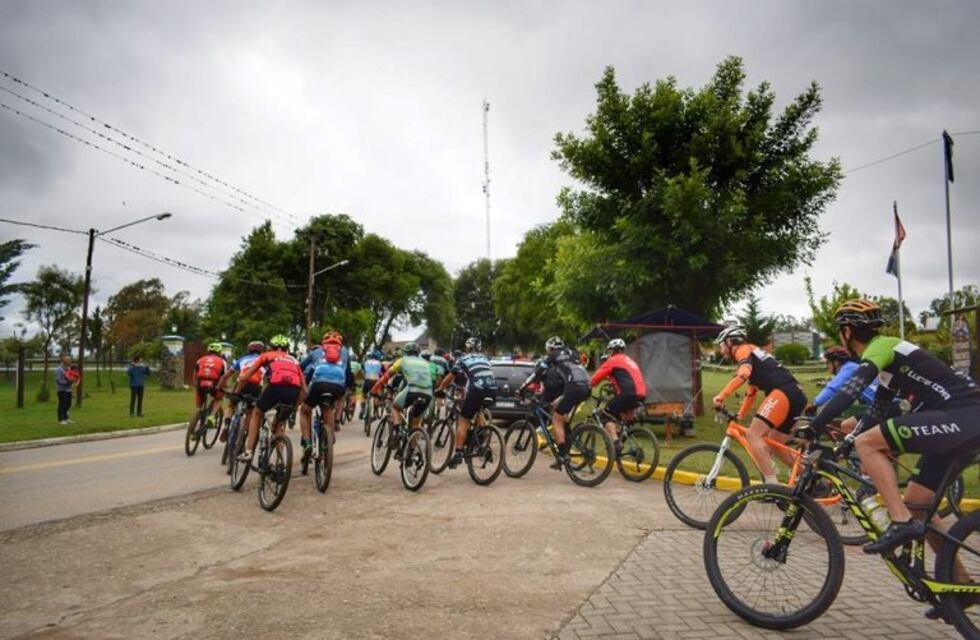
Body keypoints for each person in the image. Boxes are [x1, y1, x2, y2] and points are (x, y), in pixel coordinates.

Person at [806, 299, 980, 557]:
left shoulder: (879, 348)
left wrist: (815, 425)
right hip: (958, 420)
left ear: (847, 331)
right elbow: (879, 409)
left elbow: (851, 390)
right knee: (918, 505)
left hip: (961, 415)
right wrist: (847, 440)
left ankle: (900, 521)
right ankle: (955, 588)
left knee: (868, 443)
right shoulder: (891, 359)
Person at [711, 326, 807, 485]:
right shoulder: (755, 352)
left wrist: (721, 396)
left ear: (730, 342)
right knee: (776, 444)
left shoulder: (742, 349)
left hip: (783, 392)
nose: (721, 351)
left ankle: (770, 485)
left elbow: (743, 374)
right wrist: (740, 415)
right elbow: (751, 393)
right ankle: (812, 477)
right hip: (797, 394)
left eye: (721, 345)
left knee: (753, 435)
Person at [519, 336, 591, 469]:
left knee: (556, 419)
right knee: (559, 411)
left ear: (550, 349)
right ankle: (566, 439)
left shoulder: (553, 355)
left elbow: (537, 373)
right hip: (587, 386)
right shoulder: (573, 353)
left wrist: (522, 387)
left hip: (574, 386)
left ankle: (563, 455)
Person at [236, 335, 306, 461]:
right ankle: (280, 461)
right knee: (279, 425)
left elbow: (246, 376)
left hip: (275, 388)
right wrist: (294, 408)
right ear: (286, 349)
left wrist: (239, 379)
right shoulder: (294, 360)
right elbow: (304, 390)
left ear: (271, 347)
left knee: (257, 413)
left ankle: (248, 451)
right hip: (293, 391)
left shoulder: (266, 355)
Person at [438, 337, 497, 469]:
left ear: (467, 348)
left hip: (477, 390)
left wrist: (440, 389)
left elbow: (450, 377)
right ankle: (482, 442)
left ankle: (458, 452)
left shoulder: (463, 359)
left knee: (463, 421)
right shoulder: (485, 358)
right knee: (478, 412)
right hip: (492, 390)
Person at [299, 331, 351, 468]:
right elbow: (348, 372)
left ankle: (307, 442)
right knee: (328, 408)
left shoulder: (317, 351)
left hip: (319, 384)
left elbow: (301, 367)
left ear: (323, 342)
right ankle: (329, 437)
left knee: (304, 411)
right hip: (338, 387)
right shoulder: (345, 352)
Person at [590, 338, 647, 453]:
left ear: (612, 351)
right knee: (620, 417)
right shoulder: (630, 360)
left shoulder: (613, 360)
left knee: (605, 415)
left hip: (628, 394)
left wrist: (587, 385)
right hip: (641, 394)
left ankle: (616, 443)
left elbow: (595, 379)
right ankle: (624, 437)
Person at [371, 342, 432, 433]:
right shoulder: (426, 363)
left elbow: (386, 376)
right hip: (428, 393)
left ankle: (397, 429)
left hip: (412, 390)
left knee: (395, 407)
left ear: (405, 352)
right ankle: (412, 446)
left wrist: (374, 389)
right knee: (415, 425)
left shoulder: (402, 360)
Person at [215, 341, 265, 442]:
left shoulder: (242, 359)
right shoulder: (264, 360)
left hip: (241, 384)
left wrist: (218, 388)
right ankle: (245, 435)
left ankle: (227, 424)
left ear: (248, 350)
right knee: (250, 412)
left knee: (230, 406)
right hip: (256, 387)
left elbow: (225, 376)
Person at [192, 342, 228, 436]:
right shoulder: (222, 361)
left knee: (199, 404)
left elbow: (195, 374)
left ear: (209, 351)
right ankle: (212, 417)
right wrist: (225, 386)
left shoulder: (200, 360)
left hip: (201, 383)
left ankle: (197, 415)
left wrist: (196, 385)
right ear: (220, 352)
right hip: (214, 384)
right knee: (218, 399)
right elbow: (224, 377)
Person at [360, 350, 384, 419]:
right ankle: (375, 412)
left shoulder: (366, 362)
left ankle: (363, 408)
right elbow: (381, 374)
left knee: (363, 395)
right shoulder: (380, 363)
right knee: (376, 396)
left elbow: (363, 372)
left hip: (367, 380)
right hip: (376, 381)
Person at [55, 354, 74, 425]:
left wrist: (72, 380)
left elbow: (70, 376)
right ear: (64, 361)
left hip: (68, 389)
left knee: (68, 404)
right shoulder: (59, 370)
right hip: (62, 390)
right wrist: (67, 382)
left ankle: (66, 418)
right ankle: (61, 419)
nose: (70, 361)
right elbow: (59, 380)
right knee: (62, 404)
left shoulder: (68, 369)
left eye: (70, 359)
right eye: (68, 360)